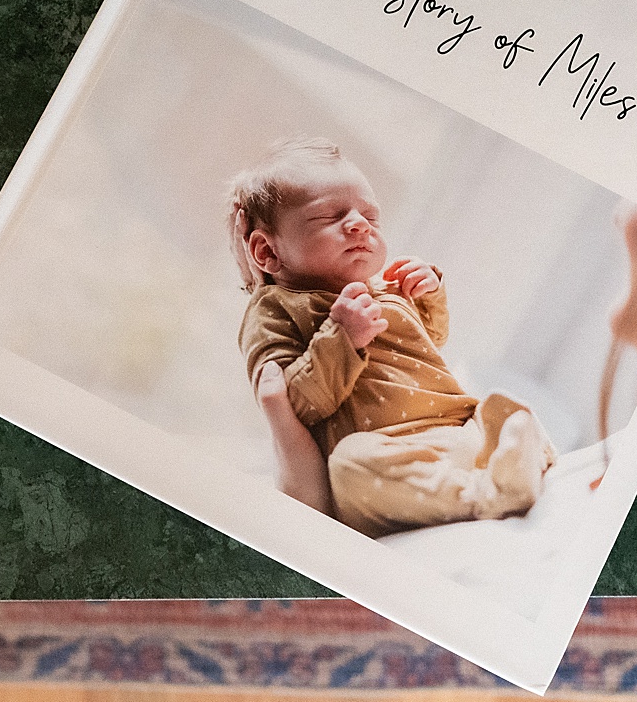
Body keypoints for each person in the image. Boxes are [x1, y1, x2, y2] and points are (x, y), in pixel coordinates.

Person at [226, 138, 552, 538]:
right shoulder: (275, 311)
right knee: (350, 465)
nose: (359, 224)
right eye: (329, 217)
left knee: (505, 408)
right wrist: (341, 338)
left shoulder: (383, 286)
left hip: (458, 428)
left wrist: (429, 295)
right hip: (388, 454)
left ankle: (517, 463)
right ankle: (484, 494)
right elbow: (290, 407)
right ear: (266, 252)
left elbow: (429, 341)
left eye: (370, 216)